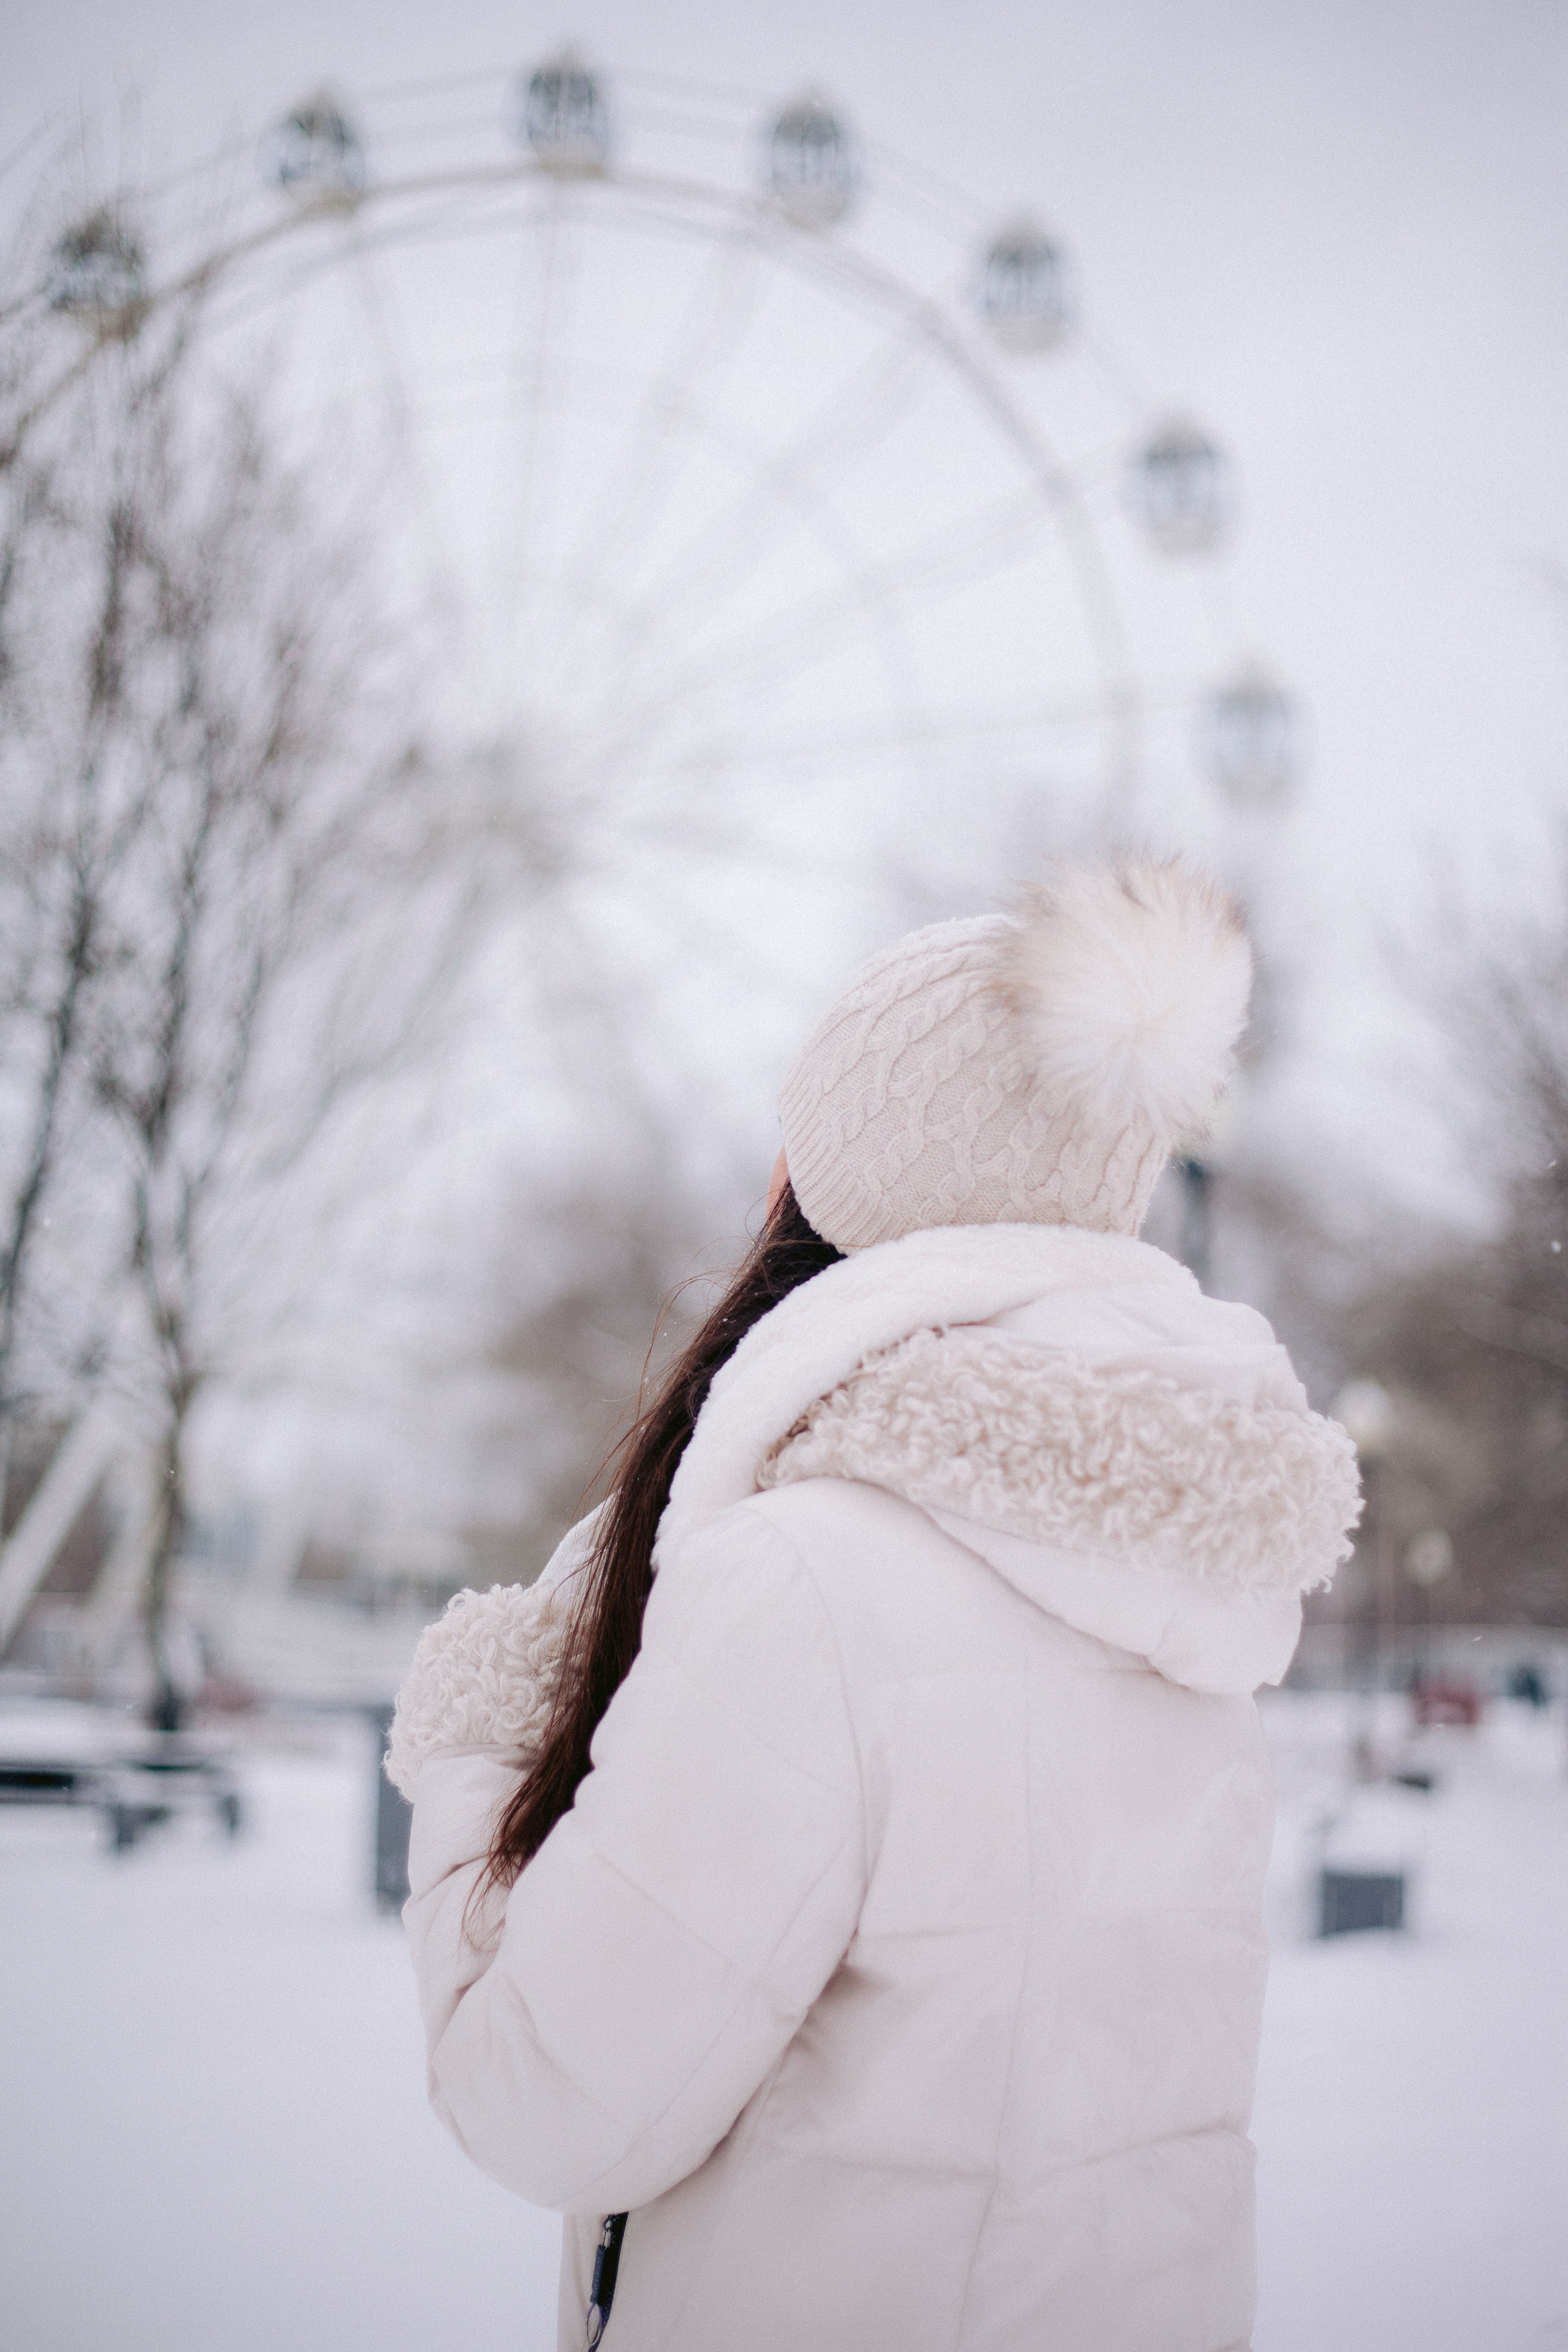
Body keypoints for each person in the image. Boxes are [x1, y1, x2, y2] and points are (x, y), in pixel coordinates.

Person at [387, 858, 1360, 2352]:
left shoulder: (804, 1585)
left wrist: (480, 1740)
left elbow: (548, 2104)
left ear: (824, 1178)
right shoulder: (1190, 1615)